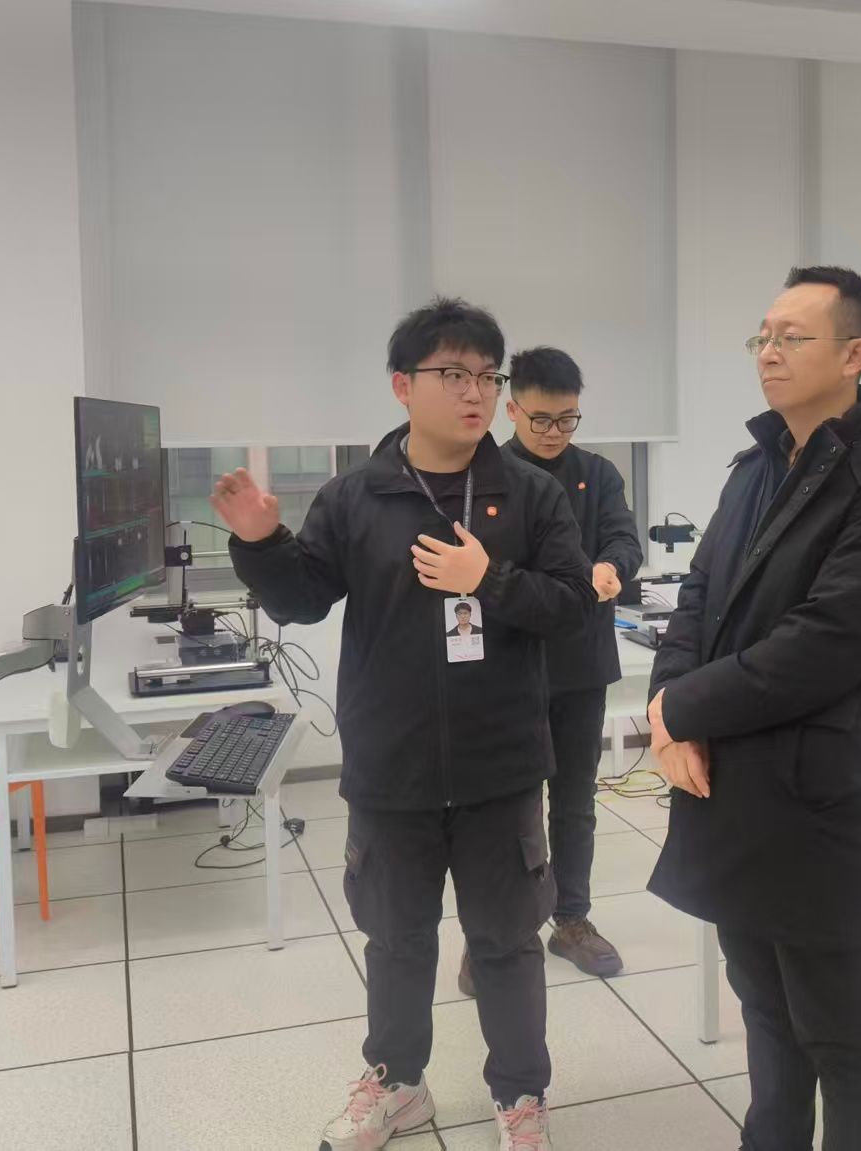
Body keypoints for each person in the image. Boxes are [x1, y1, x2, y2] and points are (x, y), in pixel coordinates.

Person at [211, 297, 596, 1151]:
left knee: (506, 942)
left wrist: (487, 578)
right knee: (395, 939)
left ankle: (520, 1093)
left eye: (487, 376)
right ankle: (395, 1082)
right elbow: (303, 598)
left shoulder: (529, 493)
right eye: (453, 373)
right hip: (392, 765)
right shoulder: (357, 496)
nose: (475, 392)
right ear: (401, 385)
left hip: (500, 766)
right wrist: (263, 542)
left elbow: (572, 605)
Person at [645, 266, 861, 1151]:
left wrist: (682, 709)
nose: (770, 351)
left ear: (855, 354)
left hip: (814, 794)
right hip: (733, 780)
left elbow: (823, 645)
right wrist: (669, 708)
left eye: (792, 336)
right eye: (763, 336)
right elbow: (697, 596)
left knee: (837, 1029)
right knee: (763, 1008)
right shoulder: (759, 464)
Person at [456, 345, 644, 997]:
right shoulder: (484, 477)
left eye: (567, 419)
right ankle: (493, 933)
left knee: (573, 801)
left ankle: (571, 918)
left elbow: (623, 538)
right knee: (501, 808)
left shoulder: (597, 474)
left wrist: (611, 566)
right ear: (512, 410)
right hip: (504, 665)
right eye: (541, 419)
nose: (555, 432)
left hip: (580, 663)